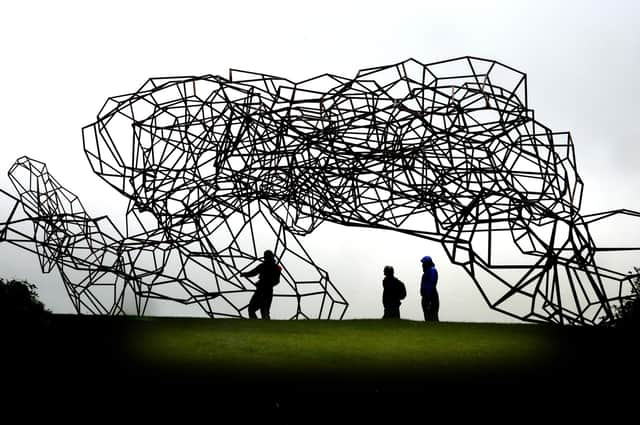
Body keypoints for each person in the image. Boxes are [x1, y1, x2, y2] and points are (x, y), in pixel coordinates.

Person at [241, 250, 282, 319]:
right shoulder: (276, 267)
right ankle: (264, 326)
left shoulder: (263, 266)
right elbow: (277, 281)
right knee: (265, 311)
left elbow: (253, 273)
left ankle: (256, 325)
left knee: (252, 309)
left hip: (261, 291)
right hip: (268, 291)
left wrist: (244, 274)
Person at [420, 256, 439, 322]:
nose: (422, 266)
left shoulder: (432, 270)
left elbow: (431, 284)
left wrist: (428, 299)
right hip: (427, 297)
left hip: (431, 297)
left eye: (423, 264)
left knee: (432, 317)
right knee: (428, 317)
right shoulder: (427, 272)